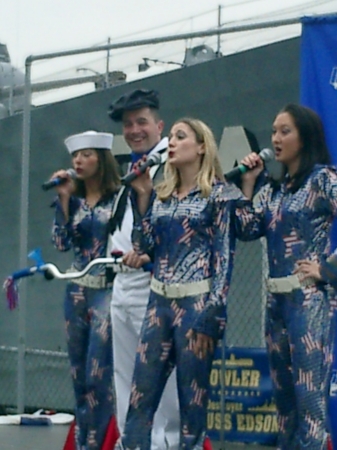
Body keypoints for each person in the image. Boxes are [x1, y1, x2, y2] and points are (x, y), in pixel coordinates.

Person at [115, 117, 243, 450]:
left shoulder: (219, 194)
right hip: (158, 301)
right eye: (170, 136)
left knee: (192, 403)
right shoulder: (162, 194)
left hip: (196, 304)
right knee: (140, 398)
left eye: (180, 136)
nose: (171, 142)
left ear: (202, 146)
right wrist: (142, 193)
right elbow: (144, 243)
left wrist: (212, 314)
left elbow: (224, 258)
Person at [234, 103, 337, 449]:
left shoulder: (323, 178)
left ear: (305, 136)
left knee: (310, 399)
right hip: (275, 302)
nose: (275, 139)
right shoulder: (274, 190)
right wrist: (248, 183)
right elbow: (247, 229)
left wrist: (327, 269)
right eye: (274, 131)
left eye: (285, 131)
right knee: (284, 403)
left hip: (308, 300)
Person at [107, 89, 180, 450]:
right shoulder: (134, 169)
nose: (135, 130)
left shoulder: (171, 165)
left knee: (161, 381)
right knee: (125, 378)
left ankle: (164, 444)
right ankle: (131, 443)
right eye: (128, 124)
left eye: (142, 122)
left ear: (159, 125)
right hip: (123, 285)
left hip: (155, 285)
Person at [51, 130, 120, 450]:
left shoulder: (119, 198)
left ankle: (98, 442)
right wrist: (64, 199)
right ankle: (81, 442)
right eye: (75, 156)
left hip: (106, 290)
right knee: (79, 376)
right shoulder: (72, 199)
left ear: (102, 160)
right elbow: (61, 242)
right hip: (76, 290)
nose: (78, 161)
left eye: (87, 155)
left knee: (98, 375)